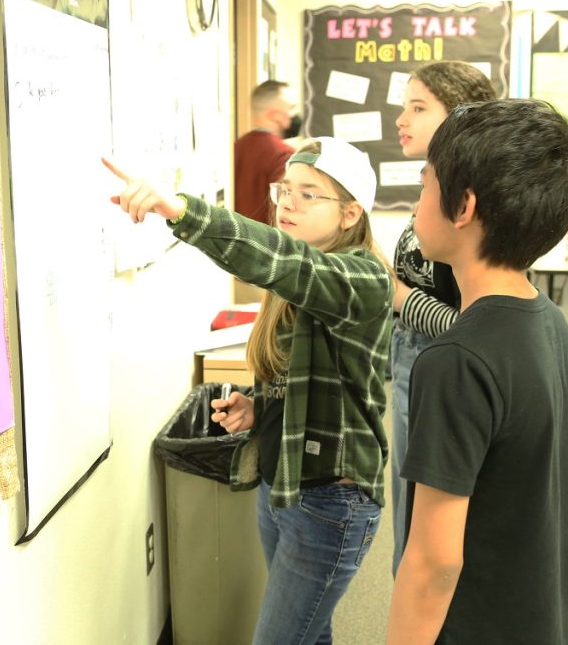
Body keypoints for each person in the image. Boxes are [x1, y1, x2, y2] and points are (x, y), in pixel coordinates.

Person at [104, 137, 392, 645]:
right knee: (310, 632)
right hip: (280, 481)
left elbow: (277, 260)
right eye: (285, 190)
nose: (288, 203)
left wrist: (178, 209)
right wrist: (257, 408)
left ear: (350, 214)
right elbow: (300, 381)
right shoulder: (299, 276)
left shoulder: (361, 278)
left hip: (331, 498)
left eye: (309, 195)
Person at [385, 99, 568, 644]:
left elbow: (433, 563)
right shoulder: (552, 325)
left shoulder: (456, 362)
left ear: (463, 207)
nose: (415, 208)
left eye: (424, 188)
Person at [387, 61, 497, 574]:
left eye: (417, 107)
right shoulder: (435, 183)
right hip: (413, 365)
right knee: (409, 521)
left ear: (459, 115)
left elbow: (473, 325)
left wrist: (398, 297)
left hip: (438, 368)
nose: (400, 120)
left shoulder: (469, 201)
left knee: (425, 532)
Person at [234, 80, 298, 224]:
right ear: (274, 114)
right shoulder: (284, 155)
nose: (294, 114)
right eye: (291, 107)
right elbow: (285, 212)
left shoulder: (236, 147)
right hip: (267, 242)